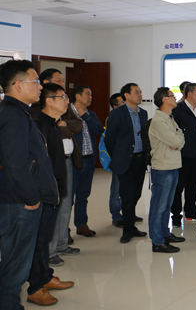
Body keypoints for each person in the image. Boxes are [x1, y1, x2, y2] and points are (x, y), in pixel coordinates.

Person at [0, 60, 56, 309]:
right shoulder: (14, 115)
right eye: (36, 82)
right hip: (18, 202)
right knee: (15, 264)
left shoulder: (19, 113)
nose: (41, 87)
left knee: (15, 261)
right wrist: (32, 198)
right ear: (18, 85)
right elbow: (15, 163)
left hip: (17, 199)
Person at [28, 83, 75, 306]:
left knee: (45, 238)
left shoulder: (53, 125)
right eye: (62, 97)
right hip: (44, 193)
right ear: (49, 101)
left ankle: (45, 277)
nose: (67, 101)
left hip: (55, 191)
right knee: (39, 241)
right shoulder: (38, 126)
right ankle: (35, 288)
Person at [38, 68, 82, 266]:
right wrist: (64, 126)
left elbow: (78, 126)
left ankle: (62, 244)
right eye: (58, 81)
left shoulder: (64, 108)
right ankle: (50, 251)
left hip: (67, 160)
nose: (63, 84)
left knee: (65, 204)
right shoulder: (37, 111)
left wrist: (65, 125)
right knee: (53, 206)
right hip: (50, 164)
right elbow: (56, 131)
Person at [104, 83, 149, 244]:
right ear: (126, 96)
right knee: (127, 196)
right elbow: (109, 139)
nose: (140, 94)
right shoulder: (117, 114)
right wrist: (118, 156)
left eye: (140, 92)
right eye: (136, 92)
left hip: (140, 160)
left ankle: (130, 225)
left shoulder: (143, 113)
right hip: (124, 161)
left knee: (136, 194)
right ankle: (128, 229)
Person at [148, 88, 186, 253]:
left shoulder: (169, 118)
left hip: (173, 165)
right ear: (164, 99)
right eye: (172, 96)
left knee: (167, 205)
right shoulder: (158, 121)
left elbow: (180, 137)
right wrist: (177, 141)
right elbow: (176, 141)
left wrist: (178, 141)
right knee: (159, 206)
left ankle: (165, 234)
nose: (175, 98)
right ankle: (157, 241)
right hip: (162, 168)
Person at [171, 83, 196, 226]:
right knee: (178, 187)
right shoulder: (178, 110)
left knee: (194, 185)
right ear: (189, 94)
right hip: (182, 155)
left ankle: (190, 212)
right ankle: (176, 216)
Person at [70, 85, 104, 238]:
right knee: (68, 198)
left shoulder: (90, 113)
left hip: (89, 160)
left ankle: (81, 225)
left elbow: (98, 130)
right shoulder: (66, 112)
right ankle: (64, 231)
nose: (91, 97)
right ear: (77, 96)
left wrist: (85, 116)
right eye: (87, 94)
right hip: (73, 161)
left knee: (83, 195)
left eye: (91, 94)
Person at [107, 93, 125, 228]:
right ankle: (116, 216)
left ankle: (128, 213)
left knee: (129, 190)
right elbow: (110, 140)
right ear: (115, 107)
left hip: (130, 159)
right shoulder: (112, 118)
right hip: (118, 158)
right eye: (122, 104)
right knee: (116, 190)